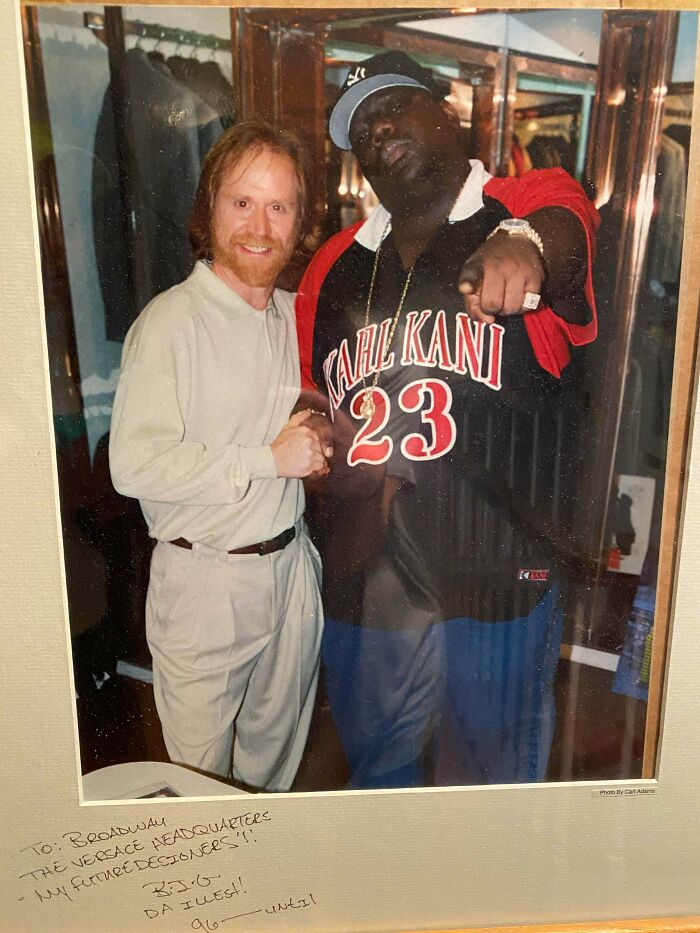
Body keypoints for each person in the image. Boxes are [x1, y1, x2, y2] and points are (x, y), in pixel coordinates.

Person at [296, 51, 600, 789]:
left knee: (491, 789)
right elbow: (311, 395)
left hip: (496, 582)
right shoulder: (330, 265)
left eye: (394, 104)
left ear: (447, 112)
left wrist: (525, 244)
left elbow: (564, 227)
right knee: (379, 781)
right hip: (371, 589)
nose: (377, 129)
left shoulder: (525, 205)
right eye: (361, 124)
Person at [110, 121, 331, 792]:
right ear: (209, 206)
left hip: (291, 572)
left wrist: (320, 438)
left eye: (278, 206)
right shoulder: (170, 323)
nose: (259, 226)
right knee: (201, 787)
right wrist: (268, 459)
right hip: (207, 584)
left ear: (300, 222)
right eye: (242, 202)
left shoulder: (299, 315)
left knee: (272, 778)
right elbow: (134, 465)